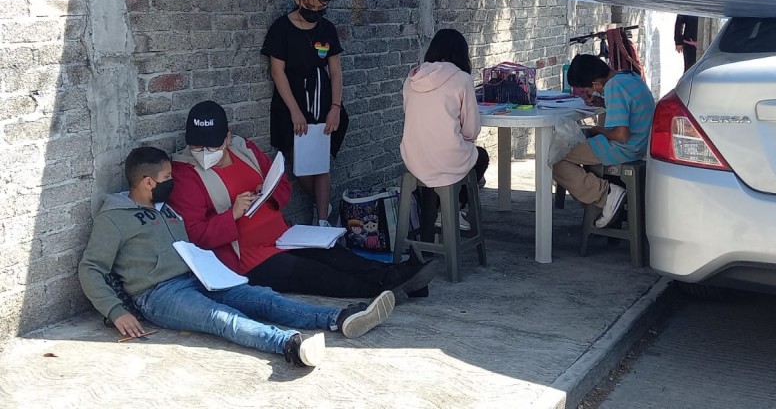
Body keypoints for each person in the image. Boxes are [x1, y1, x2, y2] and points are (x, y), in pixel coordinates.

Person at [78, 147, 395, 369]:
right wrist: (116, 311)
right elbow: (91, 268)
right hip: (158, 294)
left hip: (197, 276)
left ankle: (337, 318)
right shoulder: (115, 218)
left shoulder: (167, 211)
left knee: (261, 298)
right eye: (167, 178)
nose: (172, 182)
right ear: (148, 182)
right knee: (220, 317)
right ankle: (289, 344)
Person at [171, 101, 436, 300]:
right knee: (316, 276)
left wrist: (269, 191)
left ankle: (398, 276)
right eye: (196, 148)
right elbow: (195, 235)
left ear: (227, 138)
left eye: (212, 147)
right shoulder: (186, 175)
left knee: (337, 256)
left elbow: (281, 185)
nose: (204, 154)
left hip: (283, 236)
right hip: (249, 258)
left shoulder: (245, 150)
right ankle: (395, 288)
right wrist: (233, 214)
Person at [261, 0, 347, 226]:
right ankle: (322, 202)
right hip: (292, 104)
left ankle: (322, 219)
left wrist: (336, 107)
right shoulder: (281, 29)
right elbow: (277, 72)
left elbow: (336, 70)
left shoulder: (326, 29)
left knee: (321, 162)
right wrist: (295, 112)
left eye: (321, 8)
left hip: (323, 103)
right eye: (310, 7)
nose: (315, 12)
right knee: (301, 166)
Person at [400, 29, 490, 242]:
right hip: (446, 158)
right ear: (461, 53)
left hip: (413, 158)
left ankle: (437, 217)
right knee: (481, 156)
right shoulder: (462, 79)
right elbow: (471, 130)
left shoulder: (412, 78)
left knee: (436, 168)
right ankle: (454, 208)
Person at [552, 54, 655, 228]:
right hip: (641, 144)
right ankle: (597, 196)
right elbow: (630, 107)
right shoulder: (628, 76)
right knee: (568, 150)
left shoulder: (613, 87)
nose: (588, 94)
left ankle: (605, 195)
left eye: (587, 91)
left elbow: (621, 135)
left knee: (553, 159)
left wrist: (597, 130)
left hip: (623, 148)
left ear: (596, 83)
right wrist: (601, 102)